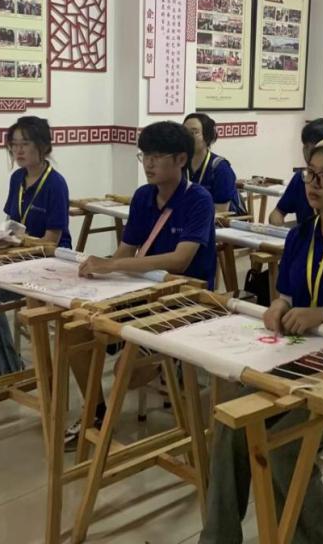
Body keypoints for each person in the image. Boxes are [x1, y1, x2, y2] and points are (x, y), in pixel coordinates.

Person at [200, 139, 323, 544]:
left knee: (285, 446)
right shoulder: (301, 236)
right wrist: (278, 305)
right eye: (310, 173)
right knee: (229, 424)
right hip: (300, 360)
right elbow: (290, 295)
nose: (313, 183)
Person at [67, 121, 217, 447]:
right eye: (145, 155)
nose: (148, 163)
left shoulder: (199, 199)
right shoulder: (143, 196)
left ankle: (168, 361)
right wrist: (98, 271)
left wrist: (114, 265)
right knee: (73, 332)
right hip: (141, 291)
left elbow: (180, 260)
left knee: (130, 369)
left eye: (157, 156)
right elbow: (127, 249)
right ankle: (96, 411)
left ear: (180, 159)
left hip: (185, 298)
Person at [0, 115, 71, 376]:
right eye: (14, 144)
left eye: (25, 144)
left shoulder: (55, 184)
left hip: (48, 261)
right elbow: (11, 222)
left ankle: (7, 366)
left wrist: (19, 245)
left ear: (43, 146)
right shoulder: (17, 178)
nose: (18, 150)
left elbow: (51, 241)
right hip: (19, 255)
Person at [183, 112, 245, 215]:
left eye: (194, 132)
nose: (188, 137)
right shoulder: (180, 164)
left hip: (221, 221)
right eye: (185, 132)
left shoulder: (220, 168)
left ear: (207, 136)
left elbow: (221, 211)